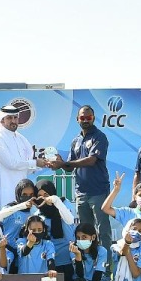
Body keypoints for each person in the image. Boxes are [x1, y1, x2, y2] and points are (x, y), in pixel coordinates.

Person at [51, 105, 112, 251]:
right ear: (77, 119)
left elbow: (91, 160)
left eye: (88, 117)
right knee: (84, 232)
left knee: (103, 230)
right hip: (81, 193)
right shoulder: (76, 141)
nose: (85, 120)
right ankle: (87, 261)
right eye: (82, 117)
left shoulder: (99, 137)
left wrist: (64, 163)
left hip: (99, 191)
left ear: (93, 118)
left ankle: (106, 263)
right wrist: (59, 163)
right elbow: (70, 167)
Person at [0, 105, 47, 213]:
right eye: (9, 118)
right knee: (5, 217)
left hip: (22, 190)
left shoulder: (19, 138)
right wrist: (35, 163)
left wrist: (43, 164)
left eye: (15, 117)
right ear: (2, 120)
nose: (13, 121)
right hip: (4, 188)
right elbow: (11, 163)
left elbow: (26, 163)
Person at [102, 173, 141, 250]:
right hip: (128, 253)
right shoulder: (126, 212)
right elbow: (105, 208)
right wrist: (116, 190)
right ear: (135, 197)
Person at [34, 179, 77, 281]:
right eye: (39, 195)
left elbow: (70, 220)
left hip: (68, 258)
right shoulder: (38, 213)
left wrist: (56, 201)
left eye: (46, 194)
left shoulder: (64, 203)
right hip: (50, 262)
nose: (43, 198)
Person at [0, 180, 40, 246]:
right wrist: (22, 206)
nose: (28, 198)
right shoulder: (10, 208)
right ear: (18, 194)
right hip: (7, 249)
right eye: (24, 194)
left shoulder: (33, 211)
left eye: (31, 195)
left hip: (25, 249)